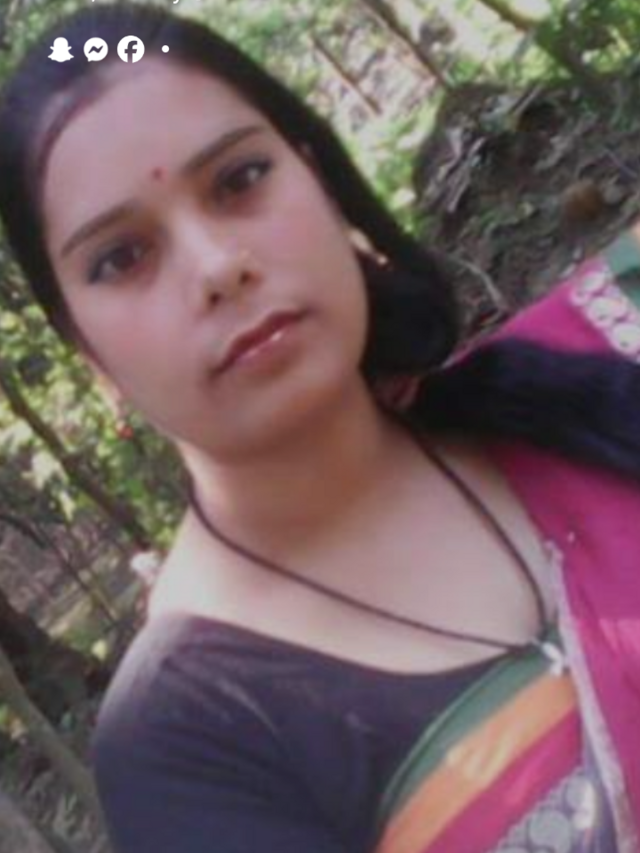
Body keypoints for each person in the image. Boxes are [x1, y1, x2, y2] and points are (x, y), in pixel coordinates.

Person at [1, 3, 639, 851]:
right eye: (122, 257)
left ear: (322, 184)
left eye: (239, 180)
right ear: (90, 356)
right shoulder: (192, 749)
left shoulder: (604, 350)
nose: (218, 266)